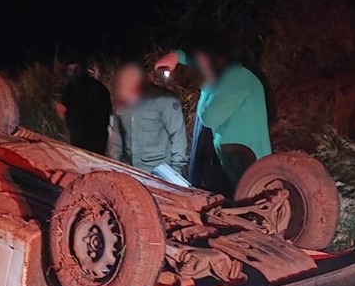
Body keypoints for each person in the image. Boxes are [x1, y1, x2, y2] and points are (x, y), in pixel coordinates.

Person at [154, 38, 270, 197]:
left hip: (246, 160)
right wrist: (176, 56)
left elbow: (209, 117)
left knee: (249, 200)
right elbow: (198, 59)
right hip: (237, 155)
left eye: (204, 64)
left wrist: (207, 86)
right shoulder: (233, 73)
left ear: (217, 58)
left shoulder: (237, 76)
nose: (200, 69)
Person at [105, 62, 188, 176]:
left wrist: (176, 171)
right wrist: (114, 165)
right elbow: (116, 136)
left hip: (158, 171)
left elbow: (178, 135)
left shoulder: (165, 100)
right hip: (129, 169)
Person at [57, 61, 111, 155]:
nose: (73, 72)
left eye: (75, 69)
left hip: (86, 139)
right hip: (94, 139)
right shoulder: (71, 89)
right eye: (70, 70)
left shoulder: (73, 88)